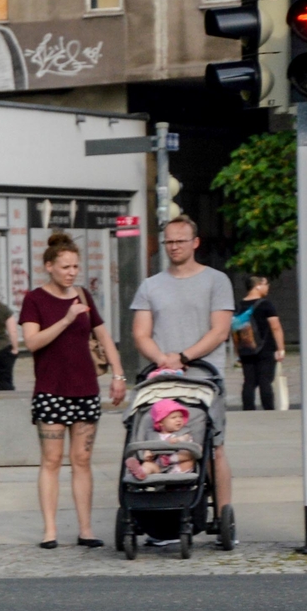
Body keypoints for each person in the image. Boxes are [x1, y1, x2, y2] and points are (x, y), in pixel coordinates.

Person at [18, 239, 125, 548]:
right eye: (65, 267)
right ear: (49, 266)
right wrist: (66, 319)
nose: (71, 272)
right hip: (51, 389)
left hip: (85, 389)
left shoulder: (83, 296)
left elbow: (103, 338)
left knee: (82, 459)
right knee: (51, 460)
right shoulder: (34, 299)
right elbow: (33, 343)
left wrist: (118, 375)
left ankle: (86, 529)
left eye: (75, 266)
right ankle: (50, 530)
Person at [128, 216, 234, 519]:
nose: (174, 247)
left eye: (180, 241)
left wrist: (184, 357)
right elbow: (140, 333)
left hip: (204, 378)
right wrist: (162, 359)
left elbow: (219, 331)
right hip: (163, 381)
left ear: (195, 242)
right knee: (156, 444)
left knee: (214, 448)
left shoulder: (216, 280)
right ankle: (159, 514)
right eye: (169, 241)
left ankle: (223, 516)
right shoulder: (151, 286)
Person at [235, 274, 285, 410]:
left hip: (245, 348)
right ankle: (268, 409)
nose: (267, 287)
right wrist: (280, 348)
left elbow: (235, 330)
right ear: (258, 286)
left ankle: (248, 409)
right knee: (265, 380)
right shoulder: (266, 304)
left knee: (249, 381)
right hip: (265, 348)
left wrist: (238, 352)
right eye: (266, 284)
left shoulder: (239, 305)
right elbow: (275, 327)